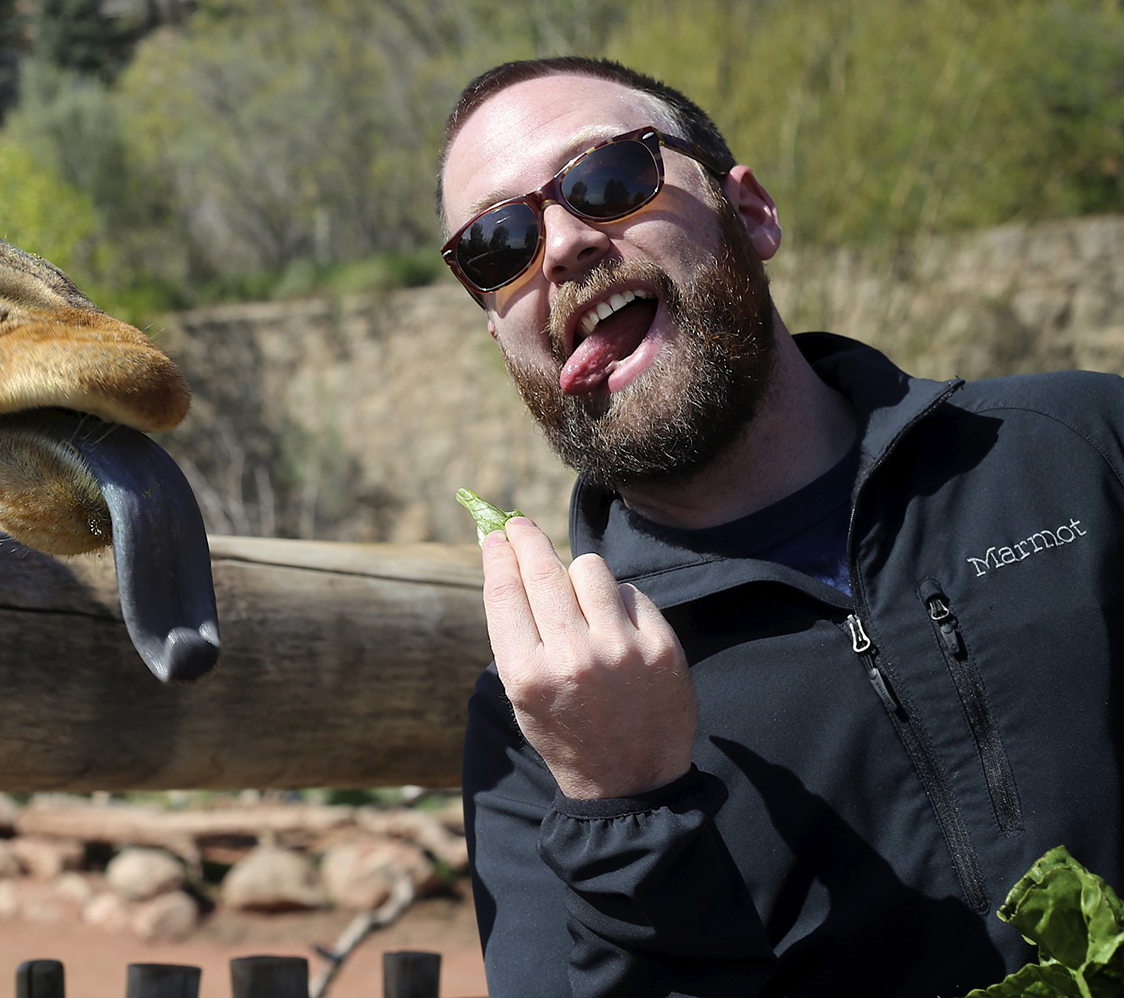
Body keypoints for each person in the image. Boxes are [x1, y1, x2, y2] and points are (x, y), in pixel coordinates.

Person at [442, 56, 1124, 996]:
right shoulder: (544, 730)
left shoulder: (1085, 449)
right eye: (495, 244)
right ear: (500, 334)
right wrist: (624, 809)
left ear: (751, 212)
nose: (557, 246)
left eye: (608, 179)